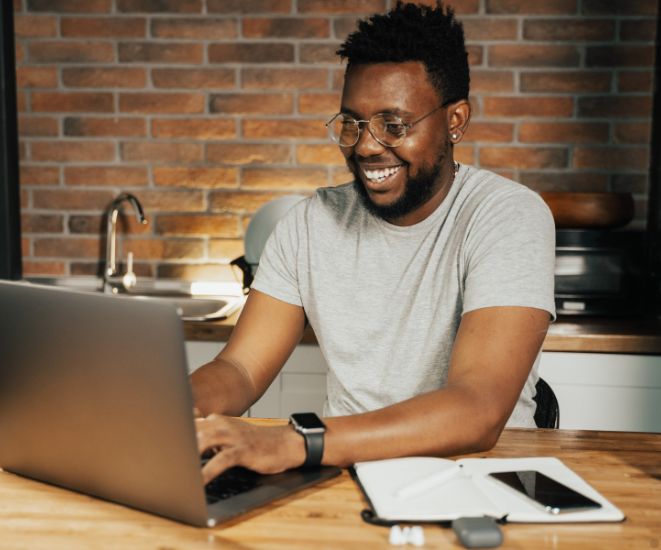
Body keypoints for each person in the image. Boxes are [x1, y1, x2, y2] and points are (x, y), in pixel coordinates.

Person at [192, 1, 555, 483]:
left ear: (455, 121)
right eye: (353, 123)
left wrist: (299, 441)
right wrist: (171, 408)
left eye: (394, 125)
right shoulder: (309, 224)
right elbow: (239, 368)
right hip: (341, 474)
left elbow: (477, 410)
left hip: (479, 479)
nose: (365, 146)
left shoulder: (506, 215)